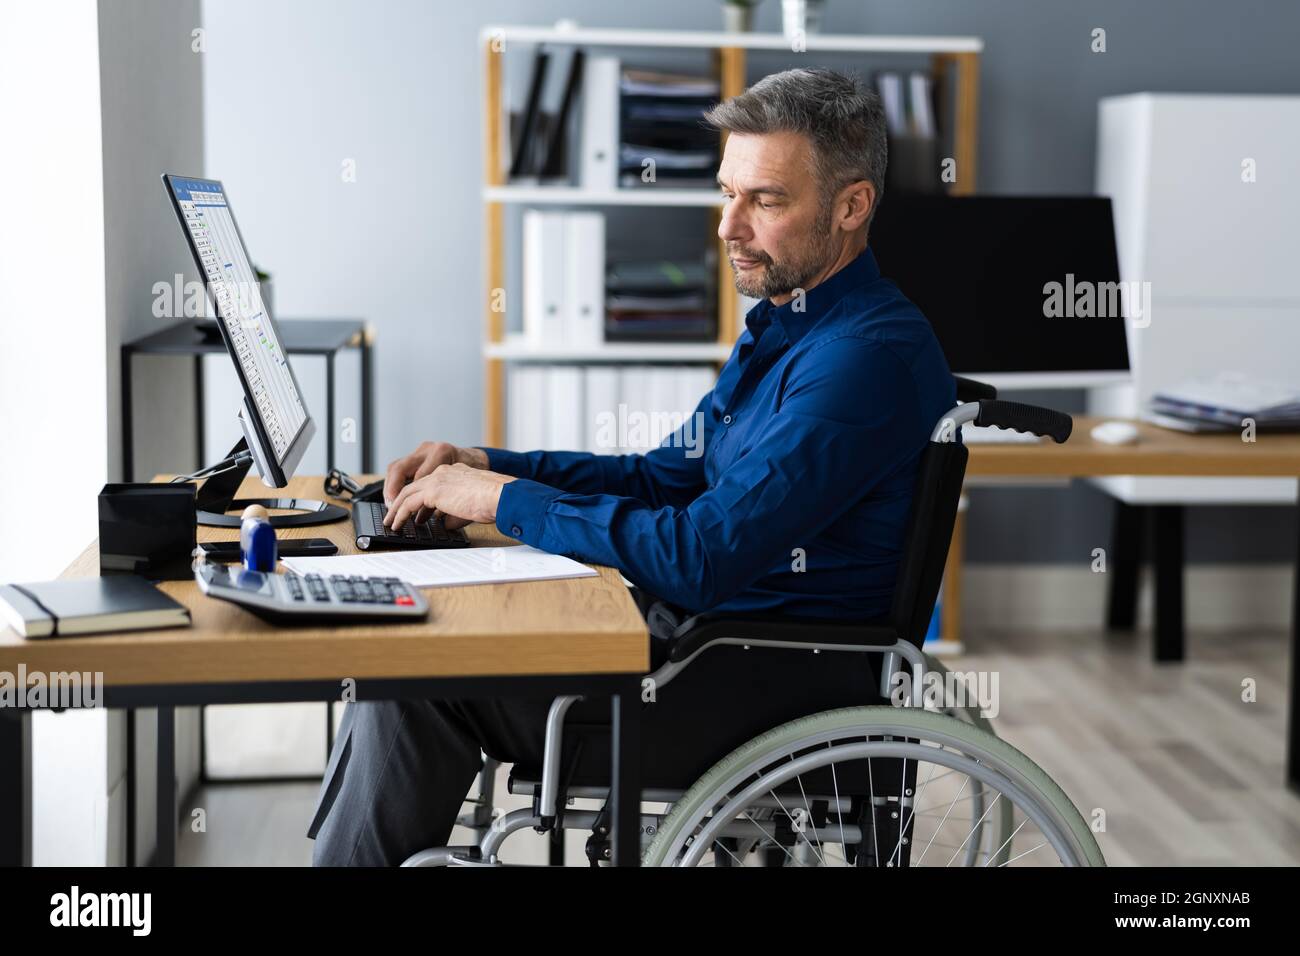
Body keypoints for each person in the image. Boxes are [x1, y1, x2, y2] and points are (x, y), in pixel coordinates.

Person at [308, 67, 955, 865]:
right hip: (700, 650)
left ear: (852, 206)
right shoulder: (791, 323)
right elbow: (665, 478)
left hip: (746, 686)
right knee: (422, 644)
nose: (728, 227)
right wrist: (485, 464)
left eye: (766, 201)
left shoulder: (862, 362)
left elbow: (698, 555)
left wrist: (502, 500)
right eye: (727, 192)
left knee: (416, 671)